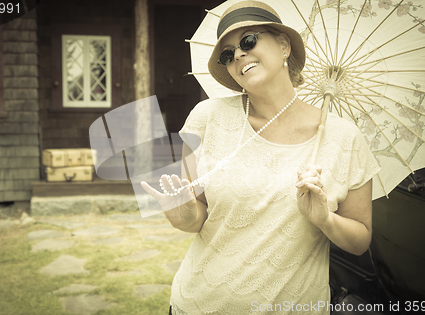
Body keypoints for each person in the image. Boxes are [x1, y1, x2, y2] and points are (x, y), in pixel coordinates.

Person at [141, 1, 381, 314]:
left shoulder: (343, 138)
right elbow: (196, 216)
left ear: (284, 46)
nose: (238, 54)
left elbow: (360, 240)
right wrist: (182, 215)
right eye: (227, 53)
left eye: (249, 41)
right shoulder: (206, 118)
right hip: (198, 305)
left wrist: (325, 219)